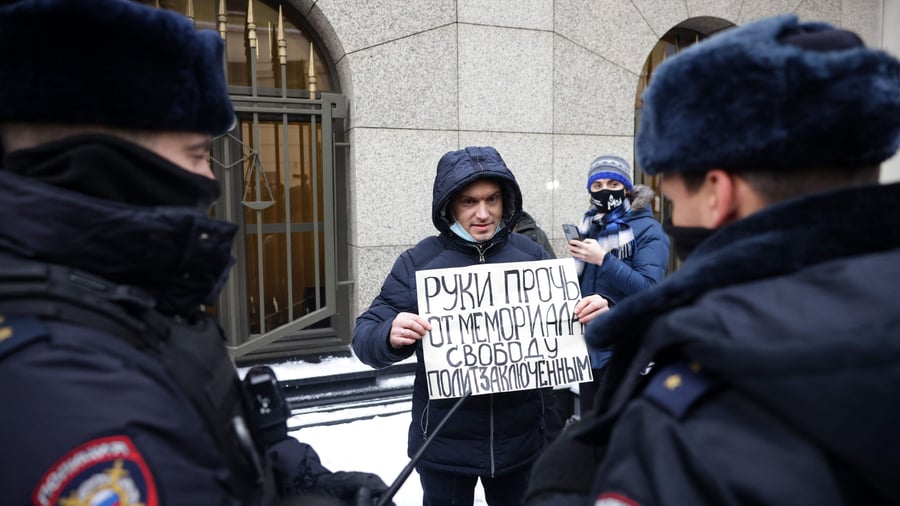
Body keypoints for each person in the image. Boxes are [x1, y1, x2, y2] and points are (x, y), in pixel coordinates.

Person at [0, 1, 387, 505]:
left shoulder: (131, 300)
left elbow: (218, 451)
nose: (209, 179)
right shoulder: (71, 394)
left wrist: (302, 484)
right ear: (104, 158)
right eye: (197, 154)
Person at [525, 14, 900, 505]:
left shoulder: (696, 414)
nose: (669, 209)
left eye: (673, 192)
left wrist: (559, 487)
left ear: (718, 193)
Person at [352, 146, 609, 506]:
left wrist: (596, 314)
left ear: (506, 200)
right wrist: (388, 334)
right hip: (444, 446)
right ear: (449, 206)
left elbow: (565, 325)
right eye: (469, 201)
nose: (483, 213)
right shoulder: (418, 262)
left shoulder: (532, 255)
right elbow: (364, 336)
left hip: (522, 446)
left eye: (492, 199)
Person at [567, 155, 670, 414]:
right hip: (590, 350)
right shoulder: (591, 225)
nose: (605, 191)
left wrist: (602, 259)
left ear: (626, 189)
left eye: (613, 184)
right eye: (597, 185)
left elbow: (649, 290)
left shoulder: (649, 230)